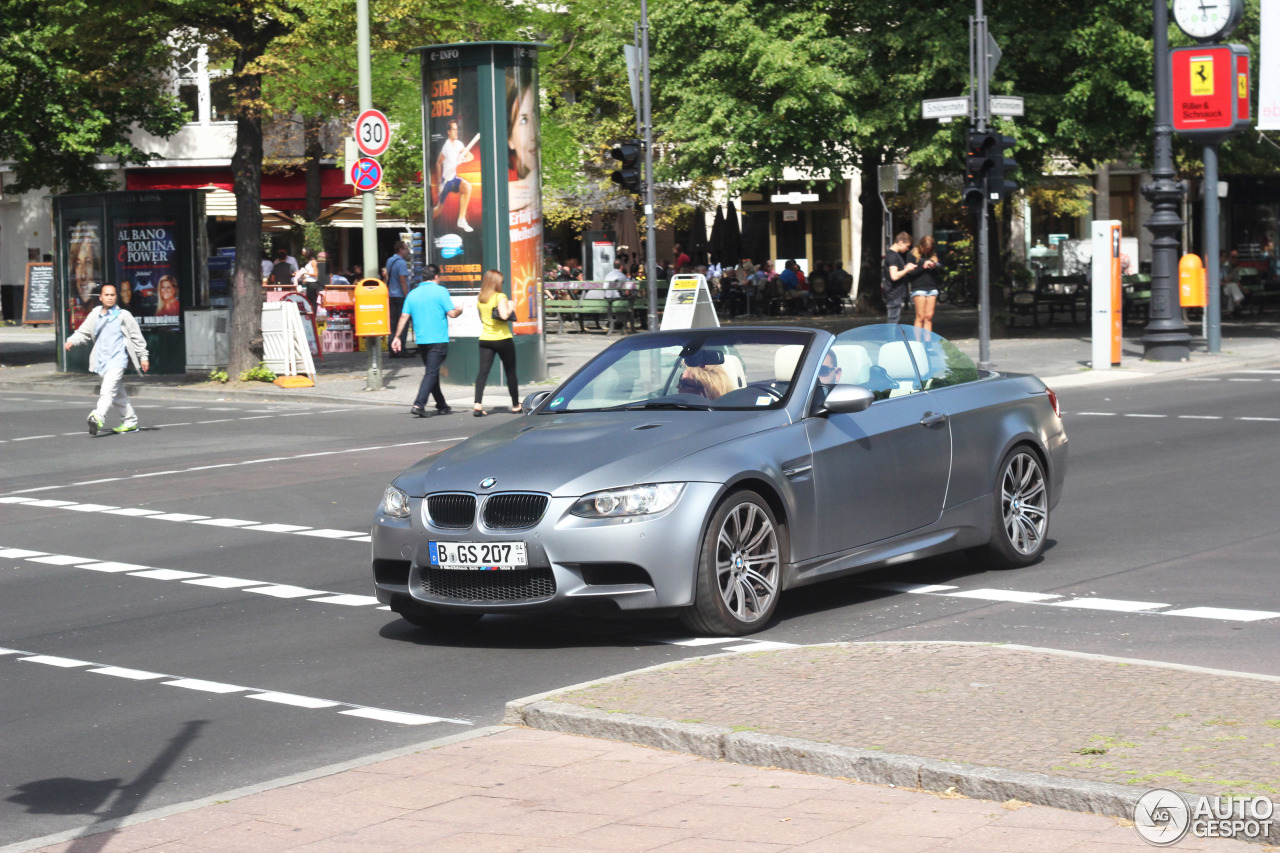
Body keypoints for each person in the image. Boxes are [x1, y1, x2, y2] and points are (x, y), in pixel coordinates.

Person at [63, 282, 150, 435]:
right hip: (101, 361)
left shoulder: (124, 315)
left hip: (118, 361)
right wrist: (72, 341)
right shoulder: (95, 314)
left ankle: (98, 416)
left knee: (107, 391)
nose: (110, 298)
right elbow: (83, 332)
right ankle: (130, 421)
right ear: (101, 297)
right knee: (117, 393)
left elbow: (137, 338)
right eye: (107, 295)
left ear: (116, 297)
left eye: (113, 295)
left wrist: (143, 357)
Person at [391, 263, 462, 417]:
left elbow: (404, 316)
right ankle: (419, 403)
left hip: (422, 340)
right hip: (438, 339)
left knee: (432, 371)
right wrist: (460, 310)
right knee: (431, 372)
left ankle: (442, 405)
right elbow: (452, 314)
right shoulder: (441, 291)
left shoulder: (413, 294)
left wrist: (397, 337)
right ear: (436, 276)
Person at [472, 269, 522, 417]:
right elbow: (505, 315)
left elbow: (482, 319)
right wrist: (511, 305)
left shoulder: (481, 298)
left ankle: (477, 404)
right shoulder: (500, 297)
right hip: (503, 338)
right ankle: (515, 405)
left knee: (483, 373)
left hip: (485, 339)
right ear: (496, 282)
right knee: (510, 372)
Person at [432, 118, 475, 233]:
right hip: (446, 181)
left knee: (467, 187)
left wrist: (463, 159)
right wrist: (439, 184)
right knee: (438, 209)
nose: (456, 132)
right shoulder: (446, 147)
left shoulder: (458, 144)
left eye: (457, 129)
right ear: (448, 132)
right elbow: (438, 163)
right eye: (454, 130)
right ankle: (429, 222)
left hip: (453, 179)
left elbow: (471, 156)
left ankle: (461, 219)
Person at [882, 232, 917, 325]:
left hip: (895, 293)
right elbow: (894, 276)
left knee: (894, 319)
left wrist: (905, 267)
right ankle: (891, 339)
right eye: (907, 246)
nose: (907, 249)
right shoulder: (892, 256)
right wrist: (907, 269)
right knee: (893, 320)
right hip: (894, 293)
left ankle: (892, 338)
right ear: (900, 242)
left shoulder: (893, 255)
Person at [908, 235, 941, 332]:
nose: (927, 250)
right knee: (920, 316)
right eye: (926, 248)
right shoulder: (912, 255)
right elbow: (910, 274)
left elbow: (936, 276)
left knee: (929, 317)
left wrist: (935, 267)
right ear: (921, 246)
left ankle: (928, 343)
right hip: (919, 288)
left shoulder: (933, 256)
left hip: (932, 287)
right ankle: (918, 342)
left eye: (930, 249)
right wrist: (923, 266)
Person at [385, 241, 411, 356]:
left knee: (393, 323)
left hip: (391, 295)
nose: (407, 251)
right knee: (403, 323)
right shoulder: (401, 263)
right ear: (400, 249)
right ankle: (401, 349)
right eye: (406, 248)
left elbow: (386, 277)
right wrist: (407, 296)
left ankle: (392, 349)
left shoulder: (390, 260)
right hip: (401, 296)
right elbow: (403, 280)